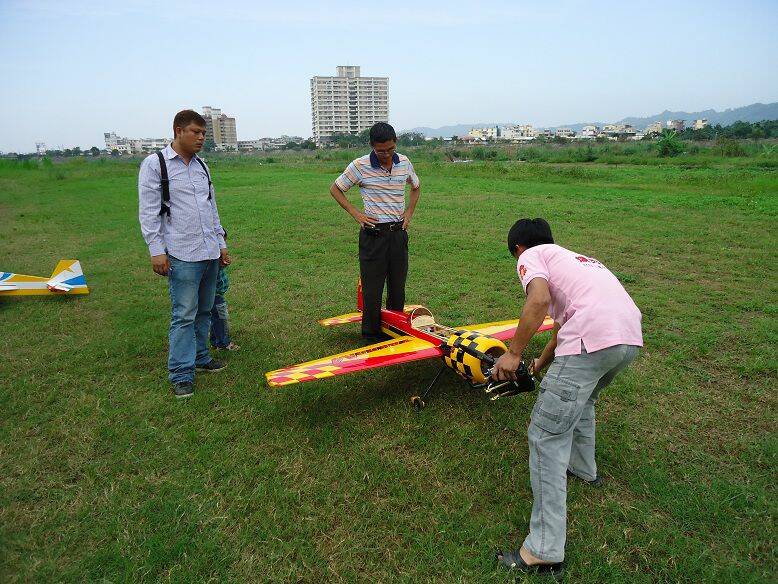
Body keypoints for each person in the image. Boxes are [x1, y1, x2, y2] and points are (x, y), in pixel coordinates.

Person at [492, 218, 643, 578]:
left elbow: (539, 300)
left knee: (545, 435)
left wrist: (513, 354)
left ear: (517, 249)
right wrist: (540, 365)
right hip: (627, 339)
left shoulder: (530, 257)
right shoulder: (576, 260)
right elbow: (563, 325)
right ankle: (584, 469)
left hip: (591, 341)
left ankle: (543, 550)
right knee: (584, 399)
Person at [138, 109, 231, 399]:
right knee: (183, 315)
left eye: (204, 133)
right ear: (178, 131)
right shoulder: (156, 165)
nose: (202, 137)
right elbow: (149, 211)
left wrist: (221, 241)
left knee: (205, 310)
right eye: (196, 132)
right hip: (181, 252)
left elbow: (210, 206)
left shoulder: (202, 165)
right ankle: (181, 373)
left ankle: (201, 357)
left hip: (208, 250)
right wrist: (156, 251)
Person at [329, 122, 421, 342]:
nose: (386, 155)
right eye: (381, 151)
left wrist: (409, 212)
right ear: (372, 146)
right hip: (373, 235)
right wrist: (356, 214)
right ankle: (371, 335)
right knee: (372, 288)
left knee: (397, 286)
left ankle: (395, 331)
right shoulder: (359, 166)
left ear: (395, 143)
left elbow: (416, 186)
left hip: (398, 233)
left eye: (390, 149)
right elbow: (336, 189)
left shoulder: (404, 162)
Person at [210, 230, 239, 351]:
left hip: (216, 294)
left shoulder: (217, 258)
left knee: (215, 316)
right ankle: (223, 343)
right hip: (214, 294)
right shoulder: (211, 258)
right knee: (220, 317)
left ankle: (216, 340)